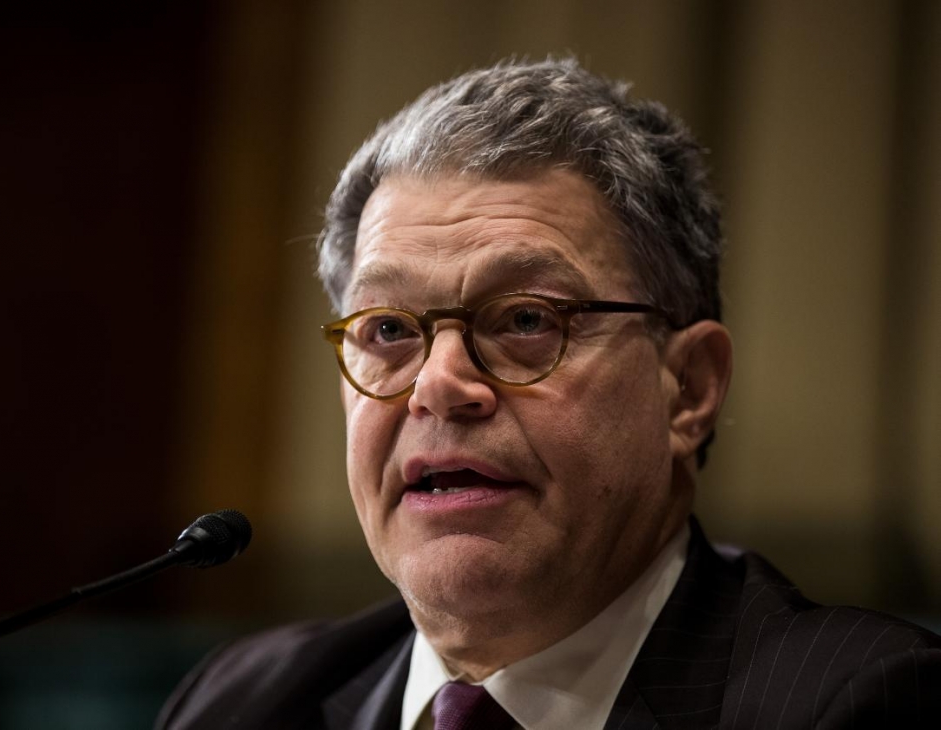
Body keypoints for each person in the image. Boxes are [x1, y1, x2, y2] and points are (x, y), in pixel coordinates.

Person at [157, 58, 941, 729]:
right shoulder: (244, 705)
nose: (437, 386)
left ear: (689, 388)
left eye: (527, 318)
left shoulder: (855, 704)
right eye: (390, 331)